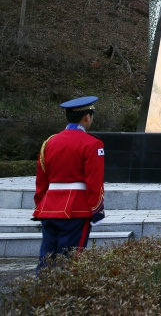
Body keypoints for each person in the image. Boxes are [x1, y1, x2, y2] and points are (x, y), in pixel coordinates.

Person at [34, 96, 105, 272]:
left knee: (46, 259)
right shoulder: (93, 143)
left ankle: (41, 288)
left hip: (49, 207)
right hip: (76, 209)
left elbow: (41, 180)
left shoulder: (49, 142)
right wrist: (96, 211)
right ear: (87, 117)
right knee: (71, 260)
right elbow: (94, 182)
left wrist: (41, 205)